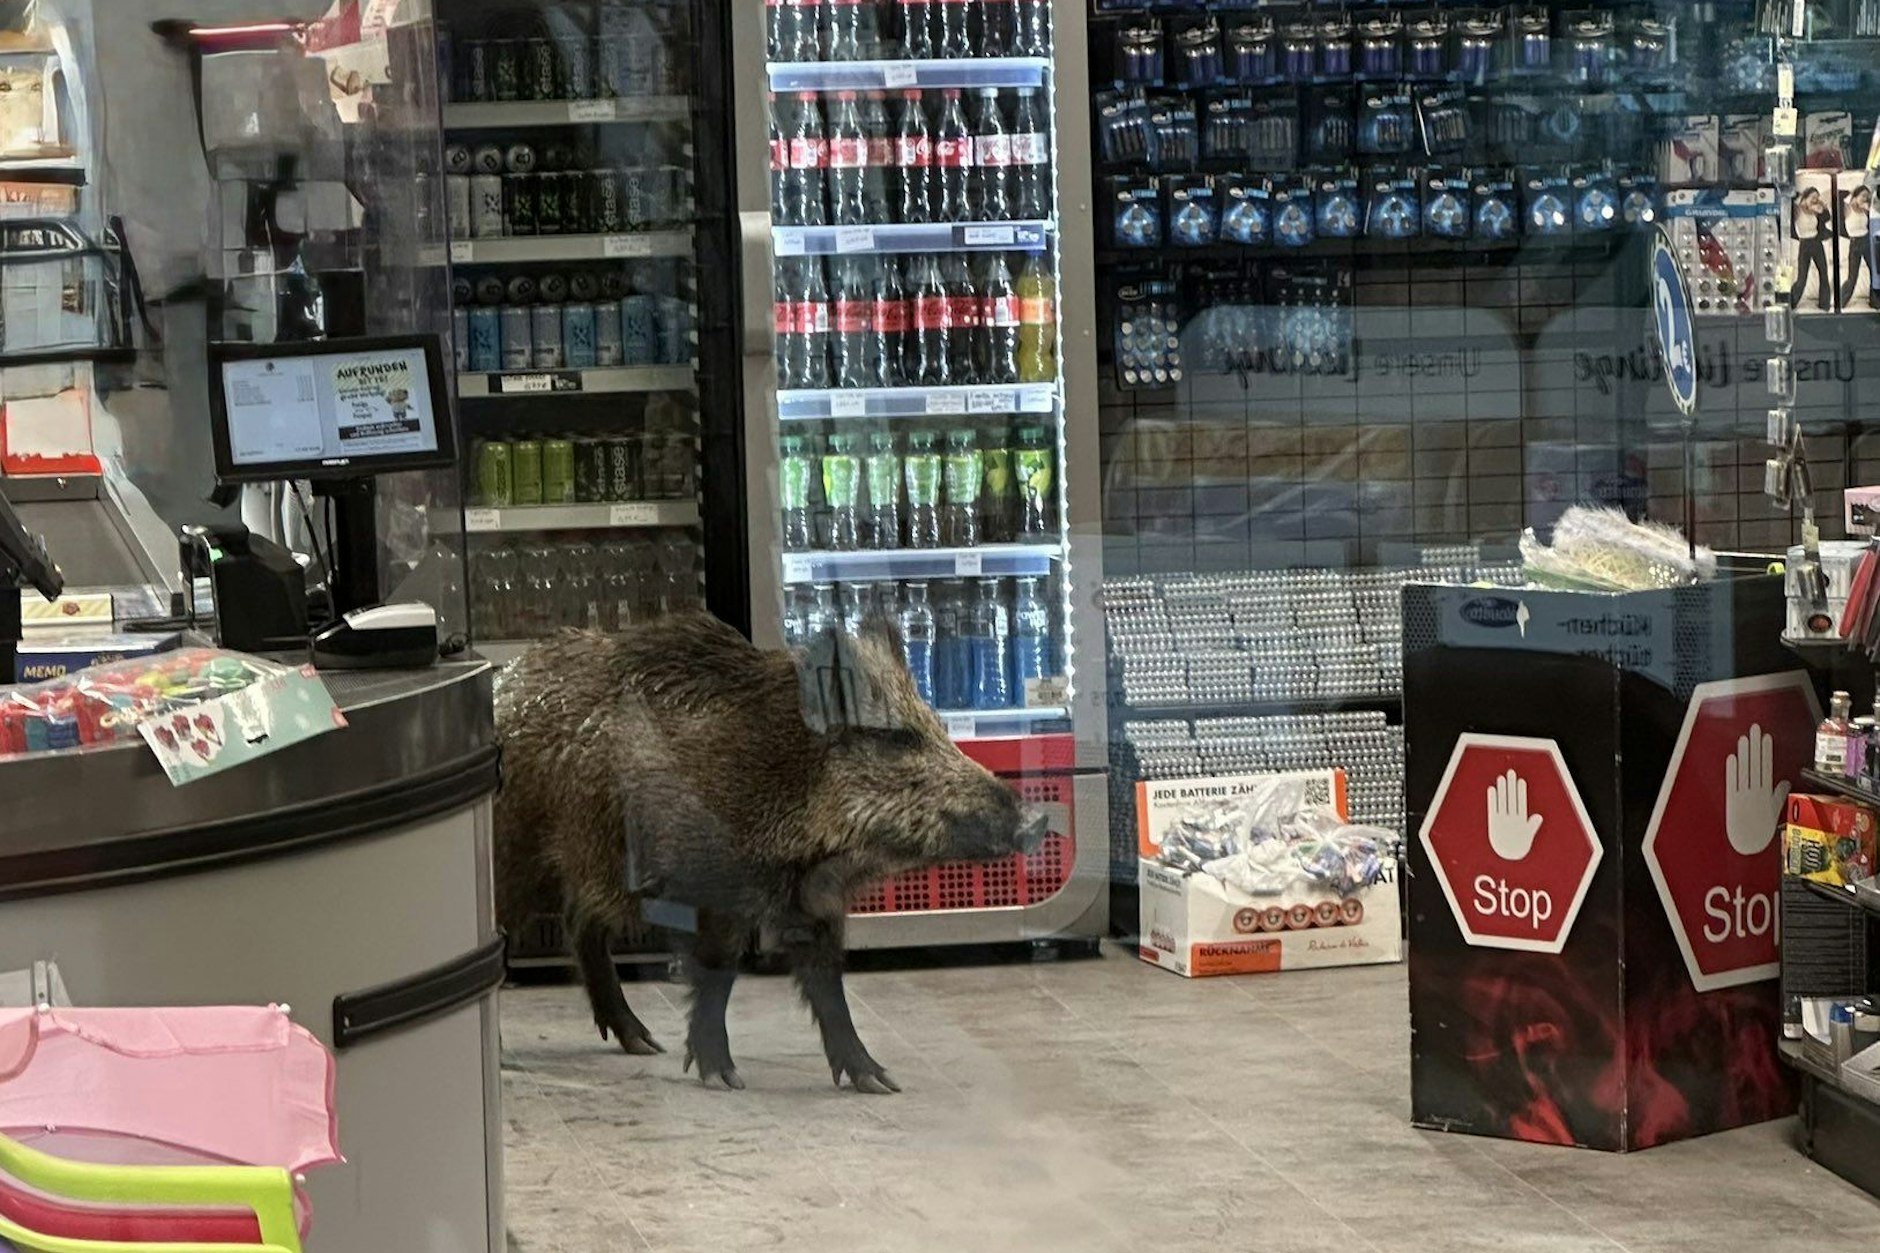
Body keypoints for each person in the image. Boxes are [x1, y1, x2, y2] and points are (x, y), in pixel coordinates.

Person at [1792, 185, 1832, 312]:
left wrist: (1822, 208)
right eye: (1813, 197)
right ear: (1805, 198)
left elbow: (1827, 217)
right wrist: (1802, 202)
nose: (1815, 200)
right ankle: (1791, 302)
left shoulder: (1816, 210)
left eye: (1817, 197)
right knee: (1802, 277)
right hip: (1805, 244)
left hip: (1816, 243)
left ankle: (1824, 304)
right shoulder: (1797, 210)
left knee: (1823, 273)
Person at [1841, 185, 1872, 311]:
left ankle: (1875, 301)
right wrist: (1854, 197)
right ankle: (1841, 301)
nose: (1865, 199)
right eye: (1863, 196)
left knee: (1874, 272)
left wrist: (1866, 206)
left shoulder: (1866, 208)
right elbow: (1843, 196)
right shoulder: (1847, 207)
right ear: (1855, 196)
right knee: (1852, 276)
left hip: (1866, 240)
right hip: (1854, 243)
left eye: (1867, 197)